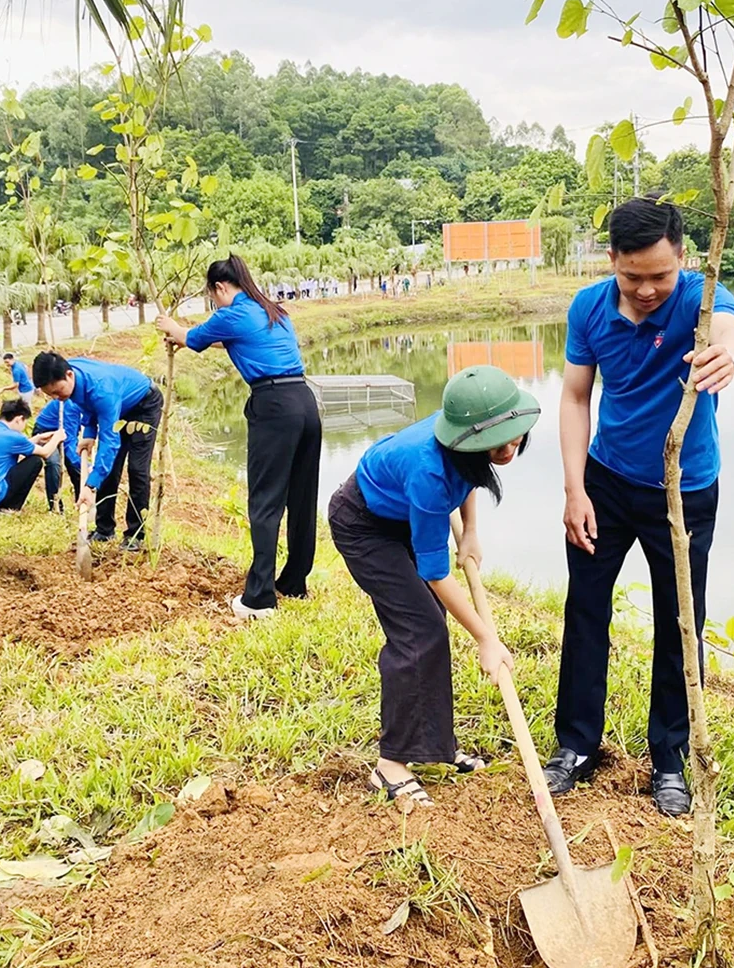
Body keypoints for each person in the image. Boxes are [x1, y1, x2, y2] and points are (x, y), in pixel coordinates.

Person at [543, 196, 734, 818]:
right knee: (585, 609)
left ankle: (669, 758)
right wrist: (574, 488)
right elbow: (576, 398)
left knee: (679, 622)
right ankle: (576, 745)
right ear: (611, 260)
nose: (646, 289)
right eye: (632, 276)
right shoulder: (588, 308)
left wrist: (730, 358)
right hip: (604, 481)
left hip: (683, 491)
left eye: (660, 275)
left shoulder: (701, 299)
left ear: (683, 260)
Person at [328, 365, 540, 808]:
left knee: (429, 624)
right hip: (364, 526)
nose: (507, 449)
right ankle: (390, 766)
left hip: (400, 515)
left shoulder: (467, 438)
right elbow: (435, 572)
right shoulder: (429, 469)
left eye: (514, 437)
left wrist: (471, 532)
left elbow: (470, 476)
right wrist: (486, 638)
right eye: (496, 443)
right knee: (418, 631)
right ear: (466, 438)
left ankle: (434, 748)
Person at [156, 255, 322, 620]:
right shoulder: (272, 310)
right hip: (306, 402)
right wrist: (187, 337)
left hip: (274, 406)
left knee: (264, 502)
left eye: (212, 296)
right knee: (301, 497)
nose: (213, 303)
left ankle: (260, 599)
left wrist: (170, 325)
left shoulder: (230, 315)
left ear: (219, 287)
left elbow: (193, 337)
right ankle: (294, 581)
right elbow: (224, 341)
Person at [32, 350, 162, 551]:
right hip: (118, 406)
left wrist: (90, 485)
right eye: (51, 395)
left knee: (137, 469)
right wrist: (90, 433)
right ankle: (104, 529)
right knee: (110, 468)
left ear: (69, 375)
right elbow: (86, 402)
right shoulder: (70, 374)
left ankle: (135, 534)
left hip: (143, 405)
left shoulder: (102, 390)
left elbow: (110, 441)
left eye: (58, 391)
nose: (57, 398)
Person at [0, 399, 65, 512]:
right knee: (35, 461)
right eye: (24, 422)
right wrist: (57, 437)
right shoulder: (13, 437)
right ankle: (10, 508)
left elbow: (8, 446)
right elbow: (45, 452)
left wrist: (37, 438)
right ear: (19, 419)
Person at [32, 397, 84, 511]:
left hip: (66, 434)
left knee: (78, 471)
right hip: (45, 433)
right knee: (54, 463)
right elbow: (68, 441)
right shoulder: (70, 406)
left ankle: (82, 507)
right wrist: (84, 465)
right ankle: (55, 507)